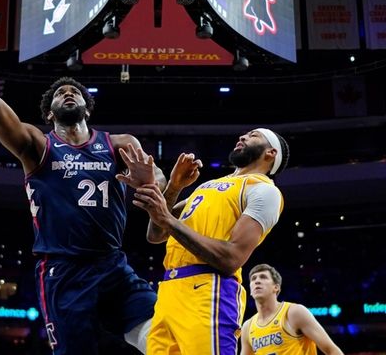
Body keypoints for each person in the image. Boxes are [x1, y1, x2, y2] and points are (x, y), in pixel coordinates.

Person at [0, 0, 166, 355]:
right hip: (64, 272)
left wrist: (151, 183)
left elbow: (161, 185)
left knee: (164, 338)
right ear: (49, 112)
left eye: (74, 91)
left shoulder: (120, 144)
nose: (68, 92)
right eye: (60, 93)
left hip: (112, 265)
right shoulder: (36, 145)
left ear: (87, 107)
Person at [124, 128, 290, 355]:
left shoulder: (264, 190)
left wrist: (166, 219)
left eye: (253, 136)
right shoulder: (207, 186)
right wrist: (174, 186)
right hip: (169, 291)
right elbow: (156, 234)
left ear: (271, 153)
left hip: (209, 290)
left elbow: (231, 258)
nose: (242, 137)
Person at [241, 264, 343, 355]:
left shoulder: (294, 313)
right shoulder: (247, 327)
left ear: (276, 287)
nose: (257, 281)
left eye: (263, 277)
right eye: (253, 279)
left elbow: (331, 350)